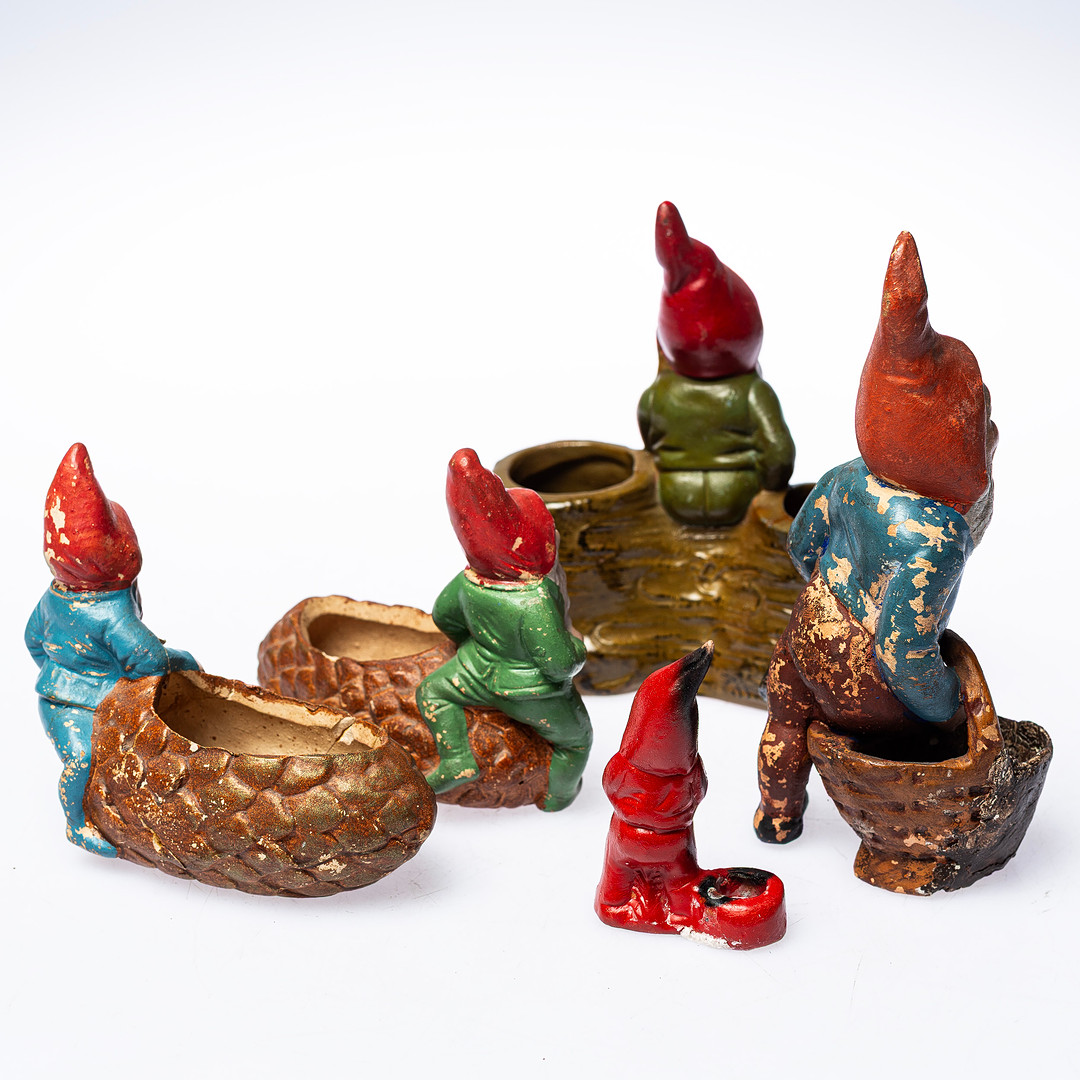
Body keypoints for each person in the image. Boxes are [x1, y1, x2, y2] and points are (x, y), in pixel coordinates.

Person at [754, 233, 998, 843]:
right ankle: (907, 836)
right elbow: (902, 652)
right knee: (926, 738)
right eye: (982, 418)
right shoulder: (939, 534)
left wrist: (831, 596)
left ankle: (777, 815)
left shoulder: (848, 477)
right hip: (864, 671)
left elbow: (802, 545)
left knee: (784, 719)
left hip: (808, 626)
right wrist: (949, 707)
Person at [25, 443, 199, 856]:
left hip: (68, 694)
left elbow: (33, 641)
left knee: (182, 669)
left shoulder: (54, 596)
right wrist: (81, 680)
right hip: (69, 706)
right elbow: (148, 660)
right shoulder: (110, 610)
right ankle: (76, 824)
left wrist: (62, 668)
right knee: (81, 758)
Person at [416, 449, 592, 811]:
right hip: (532, 692)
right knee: (577, 742)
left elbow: (443, 616)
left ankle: (456, 757)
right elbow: (558, 664)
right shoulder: (535, 598)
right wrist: (578, 648)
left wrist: (473, 646)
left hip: (474, 672)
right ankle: (558, 797)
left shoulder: (467, 581)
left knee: (432, 692)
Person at [638, 201, 795, 526]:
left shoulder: (657, 394)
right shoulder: (753, 393)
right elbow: (779, 453)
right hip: (739, 495)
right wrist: (771, 487)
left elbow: (649, 437)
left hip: (675, 496)